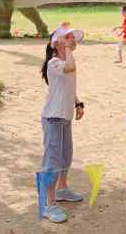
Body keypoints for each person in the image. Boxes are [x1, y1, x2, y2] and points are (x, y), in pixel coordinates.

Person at [40, 25, 85, 223]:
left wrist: (77, 103)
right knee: (53, 162)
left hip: (64, 117)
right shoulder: (54, 62)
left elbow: (68, 85)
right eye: (67, 38)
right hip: (53, 118)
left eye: (72, 38)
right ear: (56, 43)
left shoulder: (64, 60)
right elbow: (70, 68)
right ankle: (48, 205)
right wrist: (65, 49)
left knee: (66, 156)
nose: (72, 40)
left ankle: (62, 190)